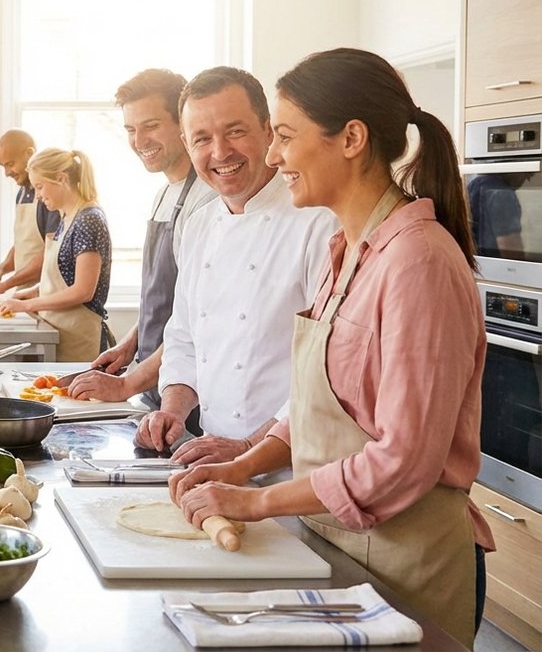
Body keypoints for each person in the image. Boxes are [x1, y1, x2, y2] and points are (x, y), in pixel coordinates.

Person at [170, 48, 492, 648]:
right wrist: (243, 466)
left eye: (284, 136)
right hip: (341, 546)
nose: (273, 156)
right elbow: (324, 405)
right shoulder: (349, 251)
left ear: (351, 139)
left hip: (406, 563)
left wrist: (258, 501)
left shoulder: (418, 261)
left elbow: (403, 460)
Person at [136, 67, 337, 465]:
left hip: (293, 469)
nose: (220, 152)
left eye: (235, 131)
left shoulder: (319, 223)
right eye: (202, 139)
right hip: (213, 459)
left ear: (268, 130)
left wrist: (248, 451)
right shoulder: (199, 224)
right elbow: (184, 338)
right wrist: (172, 409)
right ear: (186, 144)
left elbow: (327, 372)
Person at [67, 70, 216, 411]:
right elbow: (165, 299)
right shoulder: (164, 195)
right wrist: (130, 344)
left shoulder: (207, 200)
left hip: (186, 392)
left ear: (184, 123)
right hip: (153, 381)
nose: (139, 140)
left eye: (151, 126)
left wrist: (128, 383)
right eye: (131, 130)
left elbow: (196, 319)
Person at [0, 148, 113, 361]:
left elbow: (83, 291)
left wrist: (26, 305)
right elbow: (64, 278)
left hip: (79, 340)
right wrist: (32, 292)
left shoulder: (89, 219)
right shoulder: (66, 218)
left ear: (61, 179)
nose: (38, 196)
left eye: (40, 187)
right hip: (59, 334)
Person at [0, 130, 61, 297]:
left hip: (44, 294)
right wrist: (0, 271)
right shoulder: (22, 193)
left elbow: (50, 254)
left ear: (29, 154)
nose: (7, 173)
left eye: (10, 164)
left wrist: (6, 285)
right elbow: (23, 245)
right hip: (23, 294)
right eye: (3, 166)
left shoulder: (49, 197)